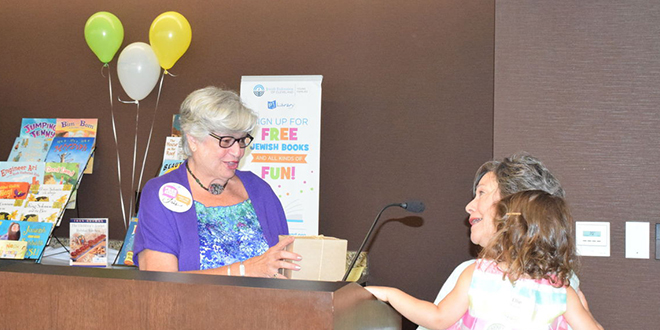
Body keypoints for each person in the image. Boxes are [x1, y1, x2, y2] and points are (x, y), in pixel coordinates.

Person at [366, 190, 603, 329]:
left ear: (506, 232)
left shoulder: (478, 275)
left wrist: (390, 294)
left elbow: (437, 318)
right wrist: (585, 312)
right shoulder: (562, 293)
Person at [133, 86, 301, 278]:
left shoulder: (259, 190)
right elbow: (160, 283)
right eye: (227, 140)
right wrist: (245, 270)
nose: (237, 152)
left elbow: (284, 267)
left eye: (241, 140)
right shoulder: (161, 194)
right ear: (193, 139)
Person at [416, 153, 592, 330]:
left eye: (482, 193)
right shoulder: (563, 284)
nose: (469, 207)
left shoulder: (476, 275)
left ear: (516, 207)